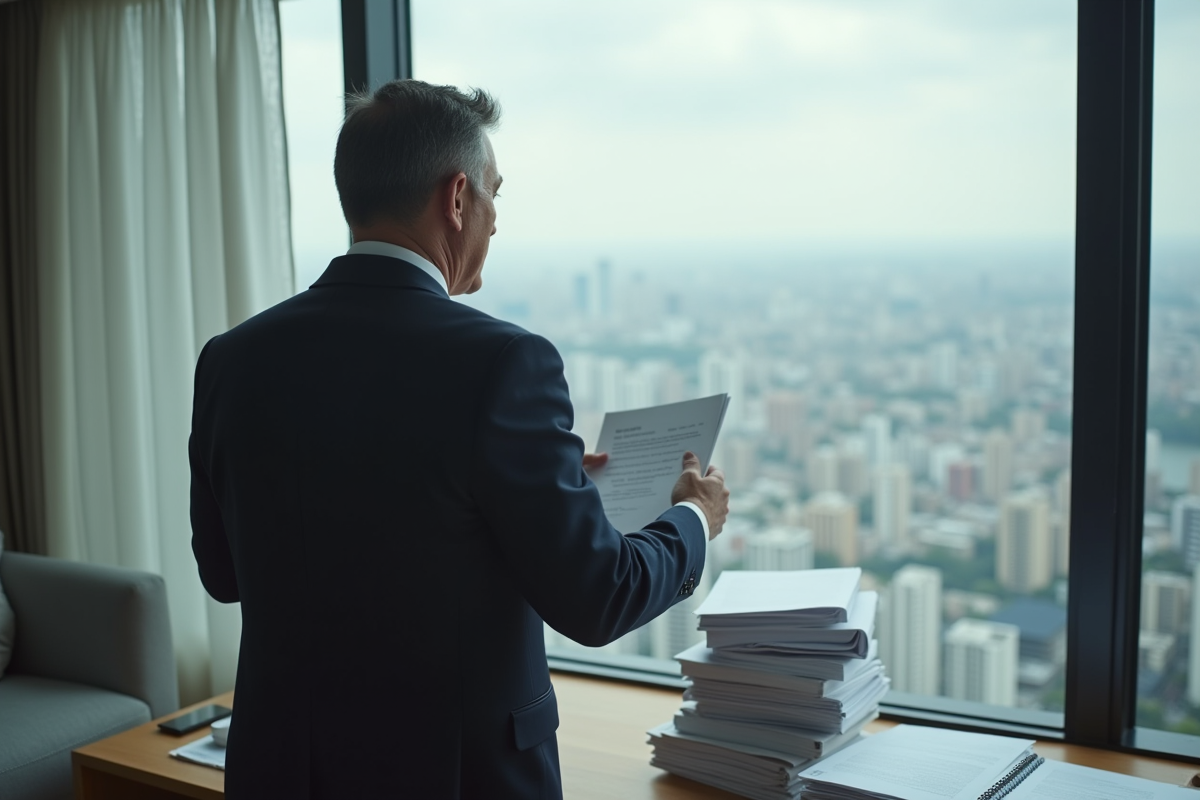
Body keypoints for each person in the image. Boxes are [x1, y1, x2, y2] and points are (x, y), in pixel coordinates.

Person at [189, 79, 729, 800]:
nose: (496, 221)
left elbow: (226, 576)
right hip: (455, 778)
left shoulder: (232, 358)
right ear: (456, 198)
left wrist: (532, 493)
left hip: (281, 770)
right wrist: (693, 519)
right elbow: (600, 598)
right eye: (494, 194)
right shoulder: (503, 363)